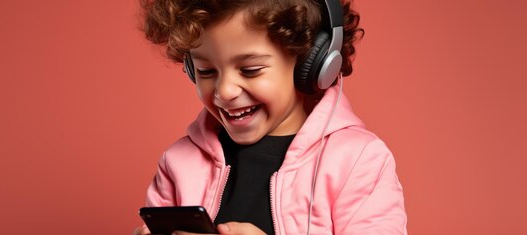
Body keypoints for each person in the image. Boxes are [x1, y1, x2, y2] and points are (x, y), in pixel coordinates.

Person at [134, 0, 407, 234]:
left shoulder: (358, 162)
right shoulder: (178, 164)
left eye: (250, 70)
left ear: (309, 62)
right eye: (206, 71)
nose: (225, 90)